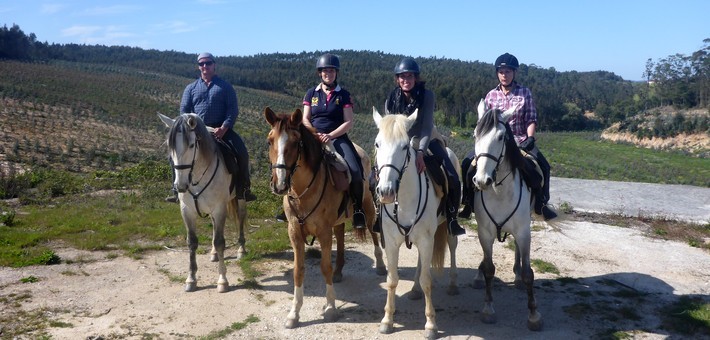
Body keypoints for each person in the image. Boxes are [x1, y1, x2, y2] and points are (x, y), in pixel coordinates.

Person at [382, 57, 466, 236]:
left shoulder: (427, 95)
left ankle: (451, 218)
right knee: (379, 174)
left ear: (416, 78)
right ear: (397, 79)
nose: (406, 80)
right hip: (401, 141)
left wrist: (420, 152)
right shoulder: (391, 97)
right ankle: (378, 216)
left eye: (410, 76)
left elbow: (427, 126)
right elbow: (389, 125)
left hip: (425, 138)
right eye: (402, 77)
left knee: (451, 175)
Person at [166, 52, 256, 202]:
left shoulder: (225, 87)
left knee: (242, 153)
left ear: (214, 65)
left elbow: (232, 110)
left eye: (208, 63)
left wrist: (224, 128)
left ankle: (244, 189)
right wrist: (190, 128)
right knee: (174, 155)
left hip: (221, 130)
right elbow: (184, 112)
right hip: (196, 131)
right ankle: (177, 190)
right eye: (201, 64)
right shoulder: (190, 88)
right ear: (198, 67)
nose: (205, 66)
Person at [483, 52, 557, 220]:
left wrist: (530, 138)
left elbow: (531, 118)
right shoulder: (490, 96)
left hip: (520, 141)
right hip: (495, 142)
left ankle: (542, 204)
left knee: (543, 167)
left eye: (508, 71)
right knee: (469, 163)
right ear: (497, 73)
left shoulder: (525, 93)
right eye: (501, 72)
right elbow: (485, 124)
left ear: (514, 73)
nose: (504, 75)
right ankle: (468, 202)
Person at [301, 53, 366, 229]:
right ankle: (289, 209)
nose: (328, 74)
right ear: (320, 73)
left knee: (355, 170)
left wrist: (330, 135)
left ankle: (358, 210)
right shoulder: (311, 93)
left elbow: (348, 122)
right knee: (292, 163)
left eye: (331, 71)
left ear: (336, 73)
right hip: (313, 137)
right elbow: (305, 118)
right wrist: (314, 133)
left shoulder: (343, 95)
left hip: (337, 137)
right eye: (324, 71)